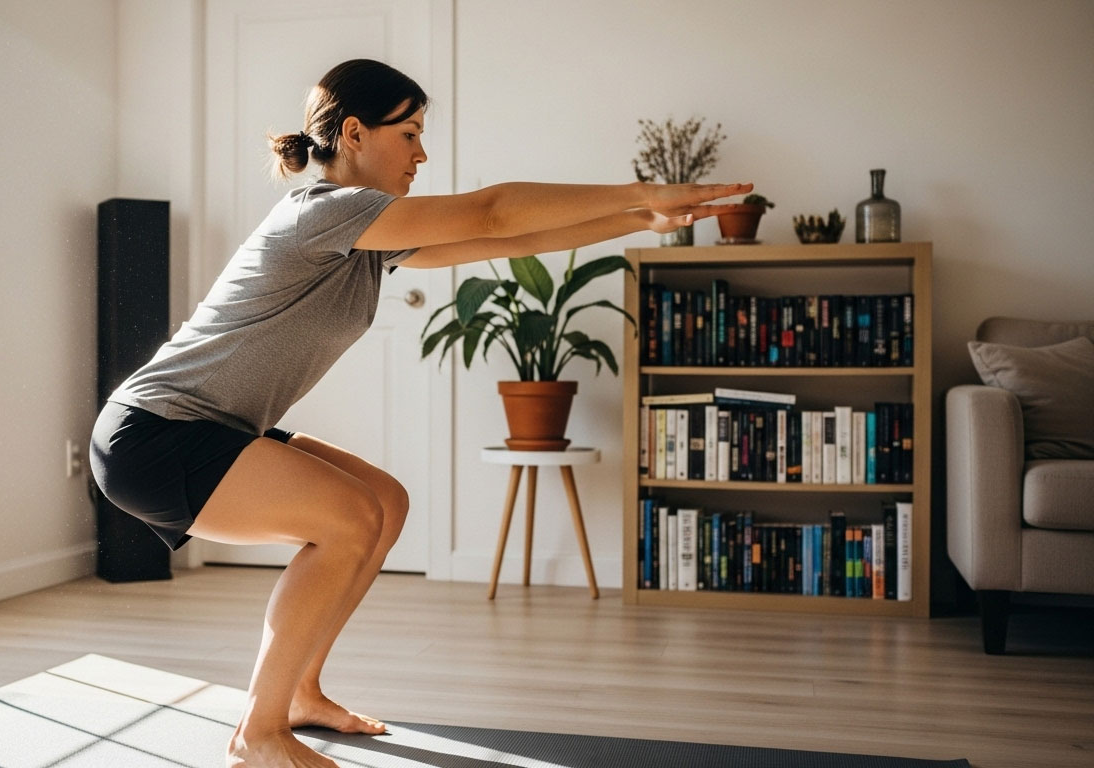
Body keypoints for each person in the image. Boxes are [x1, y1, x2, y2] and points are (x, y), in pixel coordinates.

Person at [89, 58, 752, 768]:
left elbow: (509, 239)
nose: (421, 153)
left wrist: (637, 219)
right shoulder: (322, 212)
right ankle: (258, 732)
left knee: (384, 502)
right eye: (408, 133)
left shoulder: (367, 241)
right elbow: (492, 210)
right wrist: (638, 189)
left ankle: (301, 693)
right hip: (155, 433)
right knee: (348, 519)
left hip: (205, 429)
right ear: (353, 133)